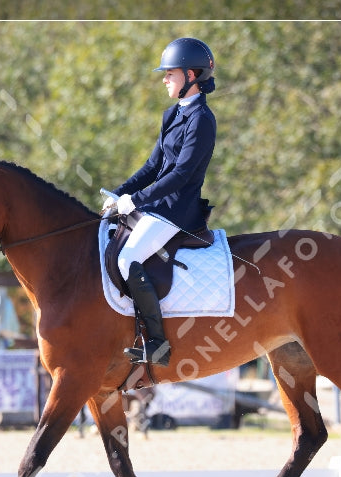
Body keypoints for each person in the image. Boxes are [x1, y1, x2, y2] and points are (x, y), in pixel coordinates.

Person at [105, 37, 217, 367]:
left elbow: (181, 174)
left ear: (192, 75)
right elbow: (153, 166)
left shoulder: (202, 120)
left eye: (171, 73)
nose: (165, 78)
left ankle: (157, 343)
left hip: (177, 212)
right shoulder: (171, 115)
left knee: (127, 259)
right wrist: (119, 194)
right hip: (155, 206)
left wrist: (136, 200)